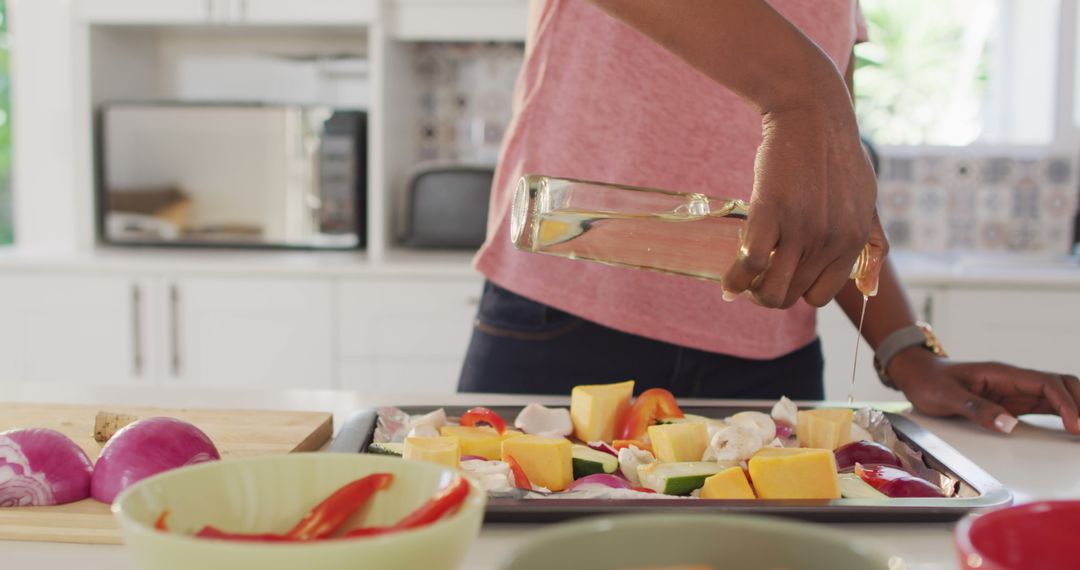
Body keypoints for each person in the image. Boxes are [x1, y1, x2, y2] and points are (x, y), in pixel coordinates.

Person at [458, 0, 1080, 436]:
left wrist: (909, 353)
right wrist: (805, 93)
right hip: (565, 325)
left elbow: (831, 192)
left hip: (768, 360)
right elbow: (810, 107)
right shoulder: (805, 83)